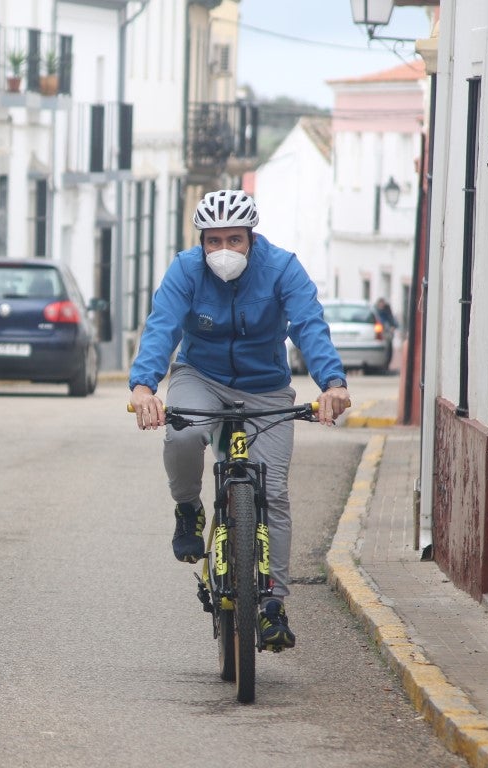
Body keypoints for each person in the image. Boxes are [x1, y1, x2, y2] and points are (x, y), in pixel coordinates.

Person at [128, 189, 352, 650]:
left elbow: (309, 323)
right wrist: (144, 387)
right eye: (213, 241)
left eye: (234, 239)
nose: (223, 251)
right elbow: (162, 327)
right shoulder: (185, 270)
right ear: (202, 241)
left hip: (265, 387)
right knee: (181, 437)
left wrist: (332, 384)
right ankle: (188, 509)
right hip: (201, 376)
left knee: (271, 489)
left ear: (252, 237)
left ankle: (273, 604)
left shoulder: (282, 268)